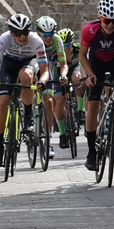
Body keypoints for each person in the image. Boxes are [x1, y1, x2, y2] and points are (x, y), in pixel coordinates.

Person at [0, 14, 50, 167]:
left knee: (25, 75)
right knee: (2, 102)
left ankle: (27, 116)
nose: (22, 37)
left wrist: (42, 81)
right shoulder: (4, 38)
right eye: (18, 33)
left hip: (29, 63)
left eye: (25, 32)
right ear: (11, 33)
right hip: (9, 65)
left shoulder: (36, 40)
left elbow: (45, 71)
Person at [80, 0, 114, 171]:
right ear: (100, 17)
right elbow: (82, 55)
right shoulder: (89, 30)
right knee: (93, 106)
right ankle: (91, 152)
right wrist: (90, 74)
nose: (110, 25)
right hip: (97, 64)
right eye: (106, 21)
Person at [36, 16, 68, 159]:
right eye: (45, 35)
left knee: (49, 101)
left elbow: (63, 64)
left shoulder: (57, 40)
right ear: (39, 33)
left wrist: (63, 75)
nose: (49, 37)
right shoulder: (34, 40)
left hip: (48, 67)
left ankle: (47, 141)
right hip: (34, 64)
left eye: (51, 34)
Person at [58, 28, 87, 126]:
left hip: (75, 68)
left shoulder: (78, 49)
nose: (65, 48)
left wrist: (83, 77)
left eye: (68, 45)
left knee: (77, 78)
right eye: (63, 45)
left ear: (73, 42)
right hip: (61, 70)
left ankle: (80, 110)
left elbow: (83, 64)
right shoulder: (57, 51)